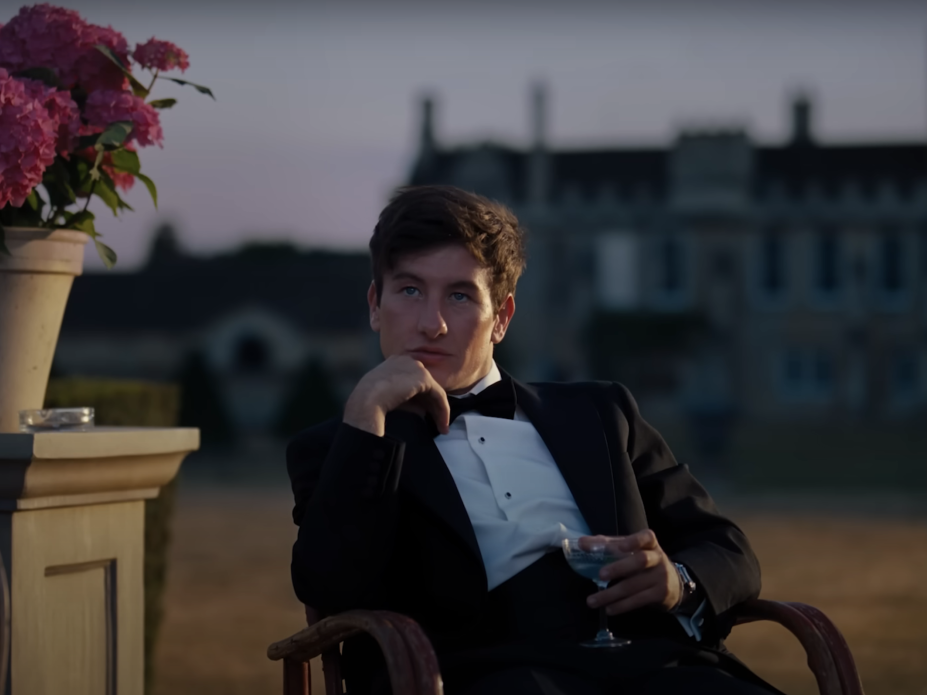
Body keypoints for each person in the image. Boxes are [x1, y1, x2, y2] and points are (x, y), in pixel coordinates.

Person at [287, 185, 782, 695]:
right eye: (410, 291)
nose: (430, 324)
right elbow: (332, 588)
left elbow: (728, 549)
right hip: (477, 675)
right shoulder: (339, 445)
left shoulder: (600, 412)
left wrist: (679, 581)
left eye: (459, 296)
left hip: (656, 667)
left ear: (501, 318)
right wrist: (367, 415)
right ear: (375, 304)